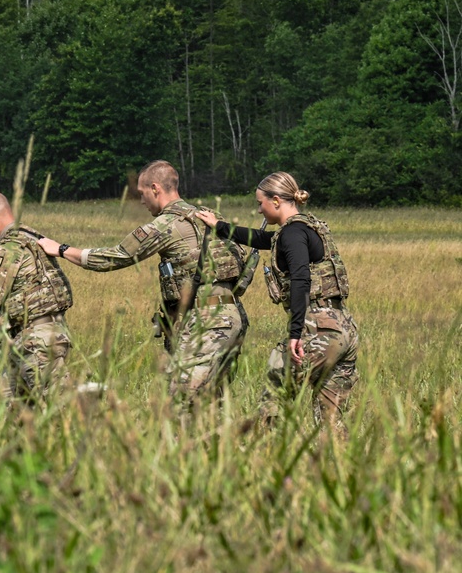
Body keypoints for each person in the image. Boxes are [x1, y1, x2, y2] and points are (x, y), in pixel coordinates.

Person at [37, 160, 251, 404]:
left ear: (156, 188)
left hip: (206, 324)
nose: (141, 201)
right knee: (212, 402)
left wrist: (61, 249)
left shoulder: (165, 224)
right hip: (232, 317)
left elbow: (116, 257)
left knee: (180, 403)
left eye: (142, 193)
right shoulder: (210, 216)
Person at [195, 172, 358, 438]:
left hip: (317, 329)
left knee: (275, 393)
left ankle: (270, 454)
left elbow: (301, 279)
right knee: (332, 419)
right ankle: (339, 469)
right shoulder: (305, 228)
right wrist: (219, 226)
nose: (258, 209)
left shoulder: (292, 234)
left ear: (276, 200)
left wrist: (295, 334)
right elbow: (261, 239)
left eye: (261, 203)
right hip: (344, 328)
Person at [0, 191, 74, 402]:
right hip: (37, 339)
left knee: (60, 414)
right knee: (6, 416)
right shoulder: (31, 237)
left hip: (35, 344)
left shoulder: (7, 246)